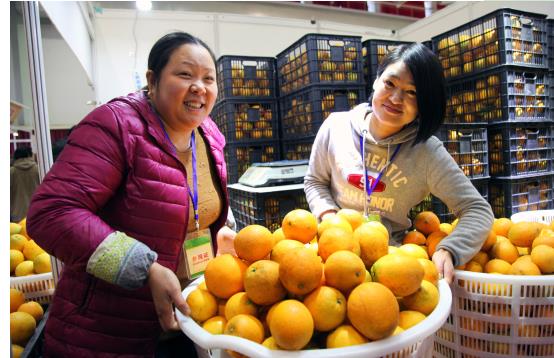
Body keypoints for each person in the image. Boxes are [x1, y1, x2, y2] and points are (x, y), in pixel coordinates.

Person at [27, 32, 237, 357]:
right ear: (152, 80)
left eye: (208, 79)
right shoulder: (114, 126)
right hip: (107, 332)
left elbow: (197, 207)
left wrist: (221, 235)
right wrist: (145, 267)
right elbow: (52, 213)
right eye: (185, 74)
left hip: (191, 322)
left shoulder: (209, 134)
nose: (200, 87)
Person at [304, 43, 493, 284]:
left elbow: (477, 209)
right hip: (333, 256)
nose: (395, 98)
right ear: (376, 81)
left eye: (412, 93)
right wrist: (329, 216)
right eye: (390, 83)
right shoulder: (335, 127)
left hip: (393, 264)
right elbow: (315, 181)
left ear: (425, 103)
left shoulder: (427, 152)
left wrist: (450, 249)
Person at [10, 146, 40, 222]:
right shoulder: (39, 169)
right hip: (37, 213)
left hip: (17, 216)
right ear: (30, 155)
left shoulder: (11, 172)